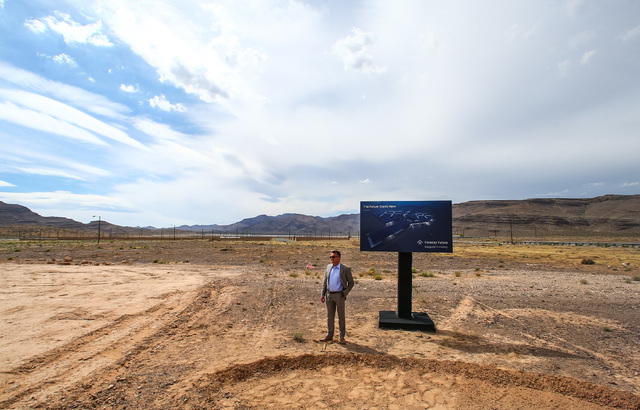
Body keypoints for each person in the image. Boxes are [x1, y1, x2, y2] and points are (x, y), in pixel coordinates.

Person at [319, 250, 355, 344]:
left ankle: (341, 336)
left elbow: (351, 283)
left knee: (341, 316)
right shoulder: (328, 267)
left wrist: (345, 293)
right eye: (331, 257)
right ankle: (329, 335)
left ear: (339, 258)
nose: (332, 259)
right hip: (329, 295)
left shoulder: (345, 269)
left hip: (339, 295)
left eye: (333, 257)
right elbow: (325, 282)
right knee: (330, 316)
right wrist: (322, 294)